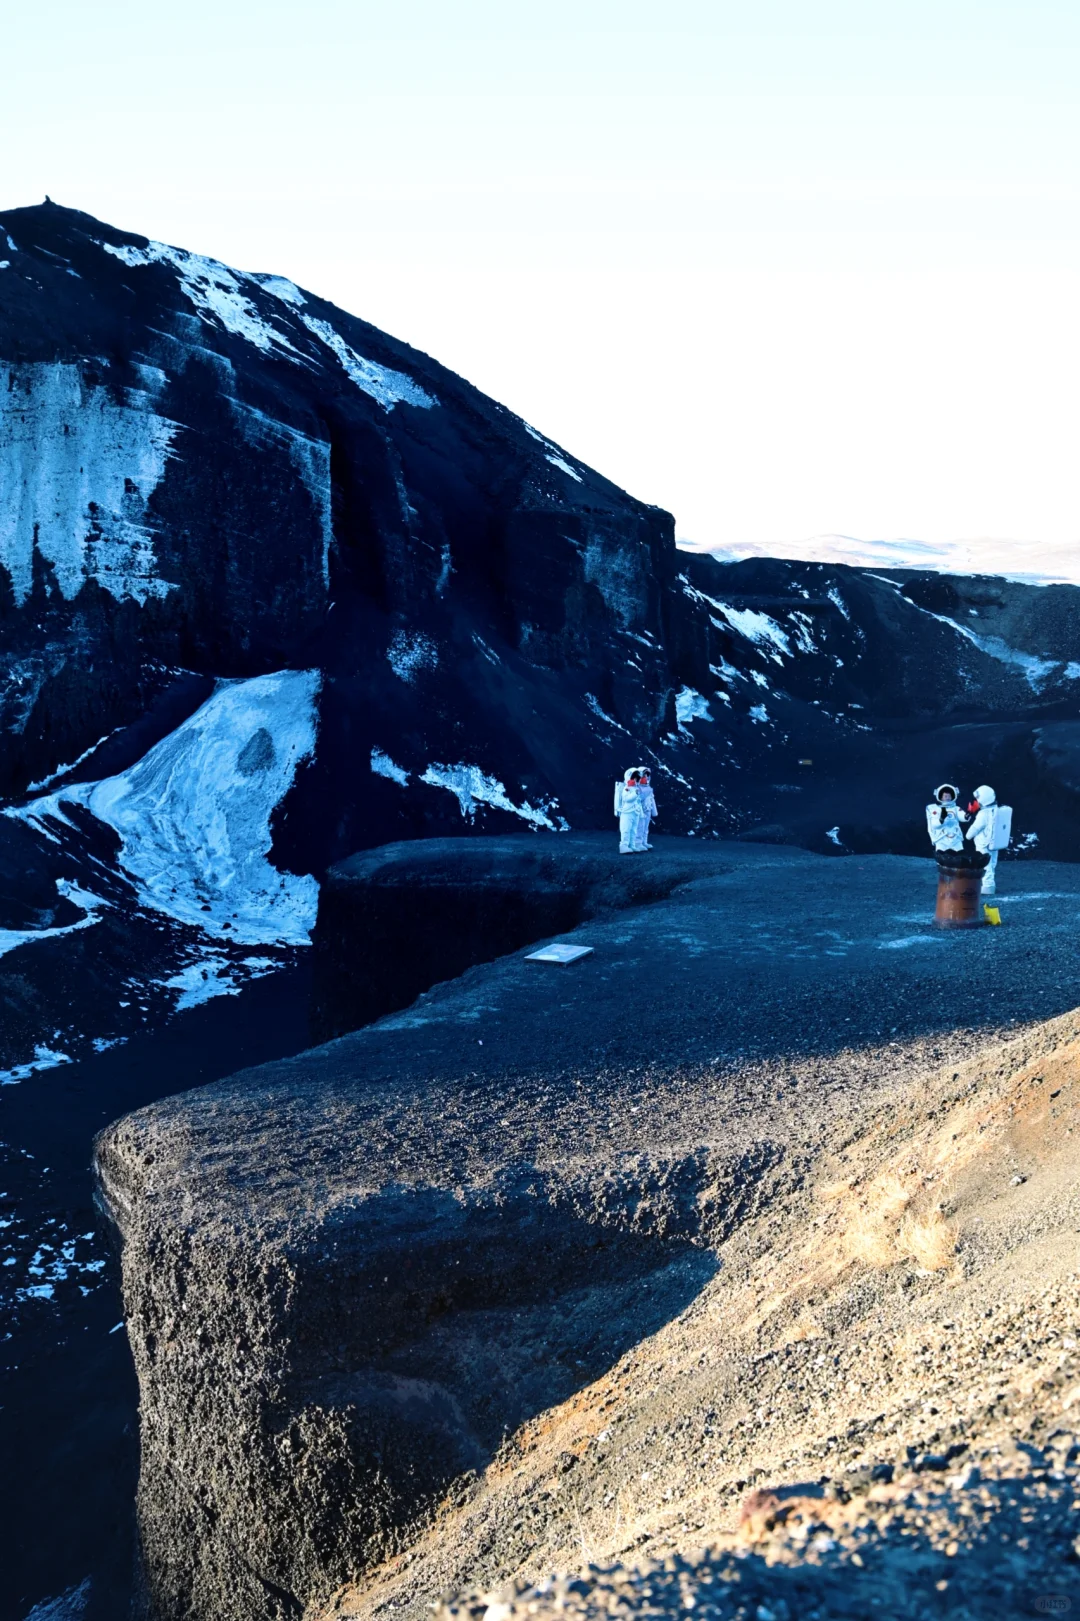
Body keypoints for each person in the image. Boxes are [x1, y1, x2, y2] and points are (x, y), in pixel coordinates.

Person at [965, 784, 1007, 895]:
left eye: (977, 799)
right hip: (995, 842)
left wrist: (968, 836)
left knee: (985, 864)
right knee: (992, 863)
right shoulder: (998, 810)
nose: (975, 802)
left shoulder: (983, 814)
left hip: (983, 843)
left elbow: (975, 828)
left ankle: (987, 886)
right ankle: (989, 883)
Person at [614, 767, 656, 854]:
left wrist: (641, 813)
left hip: (636, 812)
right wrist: (635, 793)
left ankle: (633, 845)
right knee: (626, 829)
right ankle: (624, 846)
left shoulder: (637, 788)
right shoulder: (627, 788)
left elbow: (639, 802)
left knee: (634, 830)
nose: (636, 780)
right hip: (627, 812)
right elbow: (627, 799)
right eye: (634, 777)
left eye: (637, 778)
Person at [926, 783, 966, 854]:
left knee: (960, 852)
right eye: (945, 796)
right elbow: (934, 825)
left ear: (953, 797)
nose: (947, 798)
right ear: (941, 797)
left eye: (949, 796)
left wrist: (968, 814)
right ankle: (941, 858)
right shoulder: (935, 809)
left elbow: (963, 817)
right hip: (941, 838)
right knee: (941, 852)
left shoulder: (956, 809)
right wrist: (941, 819)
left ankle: (960, 859)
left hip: (956, 837)